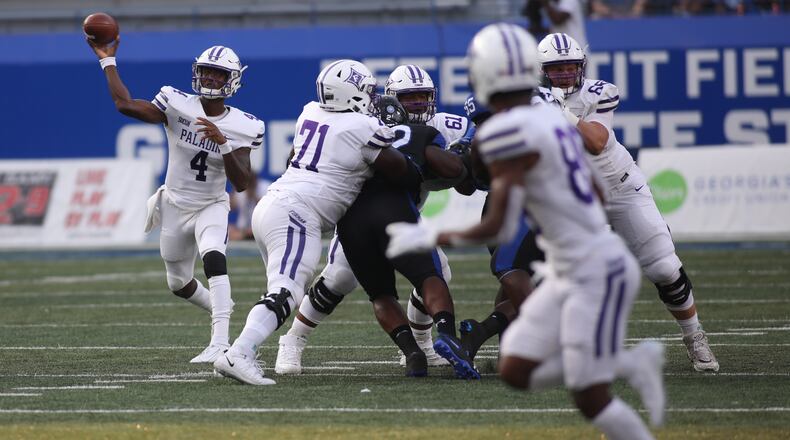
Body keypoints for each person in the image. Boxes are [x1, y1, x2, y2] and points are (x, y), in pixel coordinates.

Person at [387, 23, 666, 439]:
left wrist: (431, 237)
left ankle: (628, 365)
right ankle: (625, 363)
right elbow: (592, 188)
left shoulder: (508, 130)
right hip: (574, 258)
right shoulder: (552, 119)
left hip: (592, 268)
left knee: (588, 392)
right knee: (515, 370)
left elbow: (495, 221)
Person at [213, 60, 414, 385]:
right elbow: (401, 169)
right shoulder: (362, 128)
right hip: (297, 212)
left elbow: (295, 155)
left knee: (279, 290)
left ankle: (241, 351)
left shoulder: (310, 111)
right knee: (287, 292)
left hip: (272, 204)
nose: (371, 96)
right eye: (366, 91)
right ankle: (239, 353)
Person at [275, 64, 476, 373]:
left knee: (436, 273)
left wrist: (464, 151)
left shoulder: (441, 126)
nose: (418, 105)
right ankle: (293, 340)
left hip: (402, 214)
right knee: (340, 278)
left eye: (423, 97)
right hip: (359, 210)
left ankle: (419, 347)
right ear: (391, 99)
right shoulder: (362, 122)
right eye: (409, 99)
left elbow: (466, 174)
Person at [537, 32, 719, 372]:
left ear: (582, 66)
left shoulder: (599, 91)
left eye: (570, 67)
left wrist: (562, 114)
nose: (564, 74)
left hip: (620, 188)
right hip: (575, 200)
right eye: (556, 69)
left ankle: (694, 336)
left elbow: (596, 141)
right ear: (541, 71)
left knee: (664, 267)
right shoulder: (530, 102)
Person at [87, 39, 262, 364]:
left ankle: (221, 344)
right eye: (206, 72)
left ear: (232, 81)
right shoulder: (177, 103)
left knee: (214, 257)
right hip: (175, 204)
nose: (210, 79)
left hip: (211, 204)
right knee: (178, 283)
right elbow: (124, 105)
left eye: (218, 74)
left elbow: (240, 183)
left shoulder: (244, 124)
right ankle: (222, 307)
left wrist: (223, 143)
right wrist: (107, 61)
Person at [523, 0, 589, 50]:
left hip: (576, 48)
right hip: (560, 49)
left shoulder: (569, 1)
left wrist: (545, 3)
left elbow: (558, 20)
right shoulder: (553, 2)